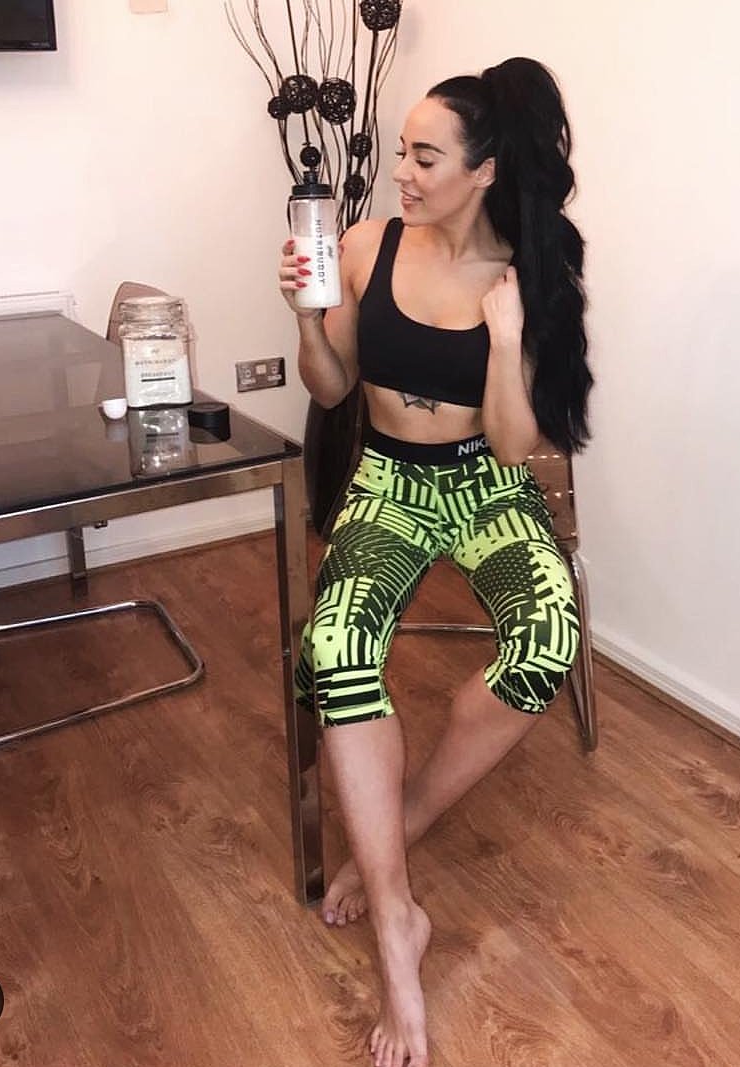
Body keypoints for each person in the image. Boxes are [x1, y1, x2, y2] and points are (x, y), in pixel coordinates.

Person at [278, 56, 592, 1067]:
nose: (402, 172)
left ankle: (398, 825)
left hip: (482, 484)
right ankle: (396, 924)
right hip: (389, 483)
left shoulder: (525, 276)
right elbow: (331, 387)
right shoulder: (367, 246)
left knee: (545, 637)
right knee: (337, 646)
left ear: (484, 169)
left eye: (425, 157)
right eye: (403, 153)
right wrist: (305, 317)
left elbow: (513, 446)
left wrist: (505, 340)